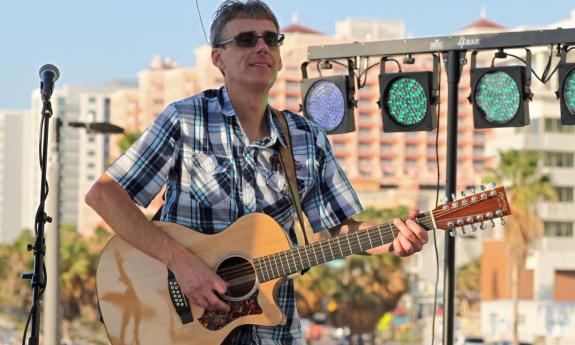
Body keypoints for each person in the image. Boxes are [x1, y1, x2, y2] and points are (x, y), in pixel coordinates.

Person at [85, 1, 429, 344]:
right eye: (247, 39)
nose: (262, 46)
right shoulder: (185, 120)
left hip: (273, 333)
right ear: (218, 58)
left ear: (279, 57)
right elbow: (104, 195)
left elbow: (340, 229)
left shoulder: (306, 137)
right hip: (182, 331)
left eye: (271, 39)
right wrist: (183, 265)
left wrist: (393, 238)